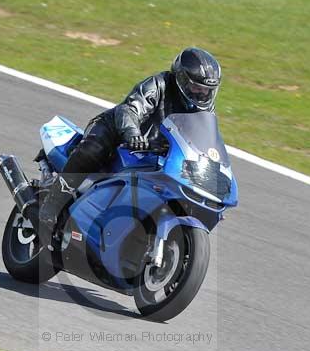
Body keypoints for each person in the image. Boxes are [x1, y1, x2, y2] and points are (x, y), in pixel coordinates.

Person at [34, 47, 222, 249]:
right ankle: (52, 205)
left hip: (156, 153)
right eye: (197, 88)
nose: (202, 94)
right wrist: (133, 134)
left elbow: (204, 141)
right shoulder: (158, 85)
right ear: (182, 79)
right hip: (119, 132)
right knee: (92, 151)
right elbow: (130, 109)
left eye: (207, 90)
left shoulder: (204, 110)